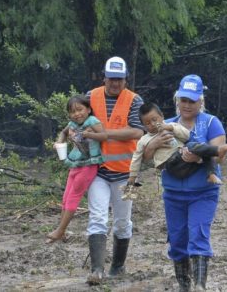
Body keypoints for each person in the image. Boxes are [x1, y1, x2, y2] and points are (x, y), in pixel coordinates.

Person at [142, 75, 227, 291]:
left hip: (203, 192)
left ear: (201, 101)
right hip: (173, 194)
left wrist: (198, 157)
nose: (187, 105)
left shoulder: (211, 122)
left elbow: (218, 153)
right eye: (183, 100)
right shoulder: (165, 124)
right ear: (177, 100)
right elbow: (144, 155)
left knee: (198, 234)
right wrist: (154, 144)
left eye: (192, 101)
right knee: (178, 241)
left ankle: (200, 285)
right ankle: (184, 285)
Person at [85, 57, 145, 285]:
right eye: (111, 78)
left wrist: (104, 134)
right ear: (104, 77)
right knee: (97, 217)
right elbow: (80, 120)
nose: (115, 83)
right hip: (97, 171)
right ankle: (97, 270)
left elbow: (136, 132)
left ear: (125, 79)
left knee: (122, 222)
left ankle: (118, 266)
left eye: (119, 79)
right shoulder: (91, 96)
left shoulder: (135, 100)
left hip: (128, 174)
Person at [126, 102, 227, 189]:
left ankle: (211, 174)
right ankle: (217, 150)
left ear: (162, 116)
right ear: (144, 126)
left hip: (185, 162)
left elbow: (186, 135)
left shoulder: (172, 125)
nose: (153, 124)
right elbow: (137, 158)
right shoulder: (144, 140)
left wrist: (170, 128)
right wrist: (132, 177)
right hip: (170, 165)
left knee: (201, 150)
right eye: (148, 123)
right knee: (193, 146)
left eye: (154, 120)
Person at [46, 95, 107, 243]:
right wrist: (59, 142)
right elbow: (64, 132)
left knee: (74, 196)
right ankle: (62, 231)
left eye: (80, 109)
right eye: (72, 111)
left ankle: (60, 230)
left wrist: (89, 134)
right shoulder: (72, 124)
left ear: (88, 109)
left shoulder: (92, 121)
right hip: (75, 163)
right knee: (66, 197)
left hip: (88, 165)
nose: (77, 114)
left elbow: (104, 136)